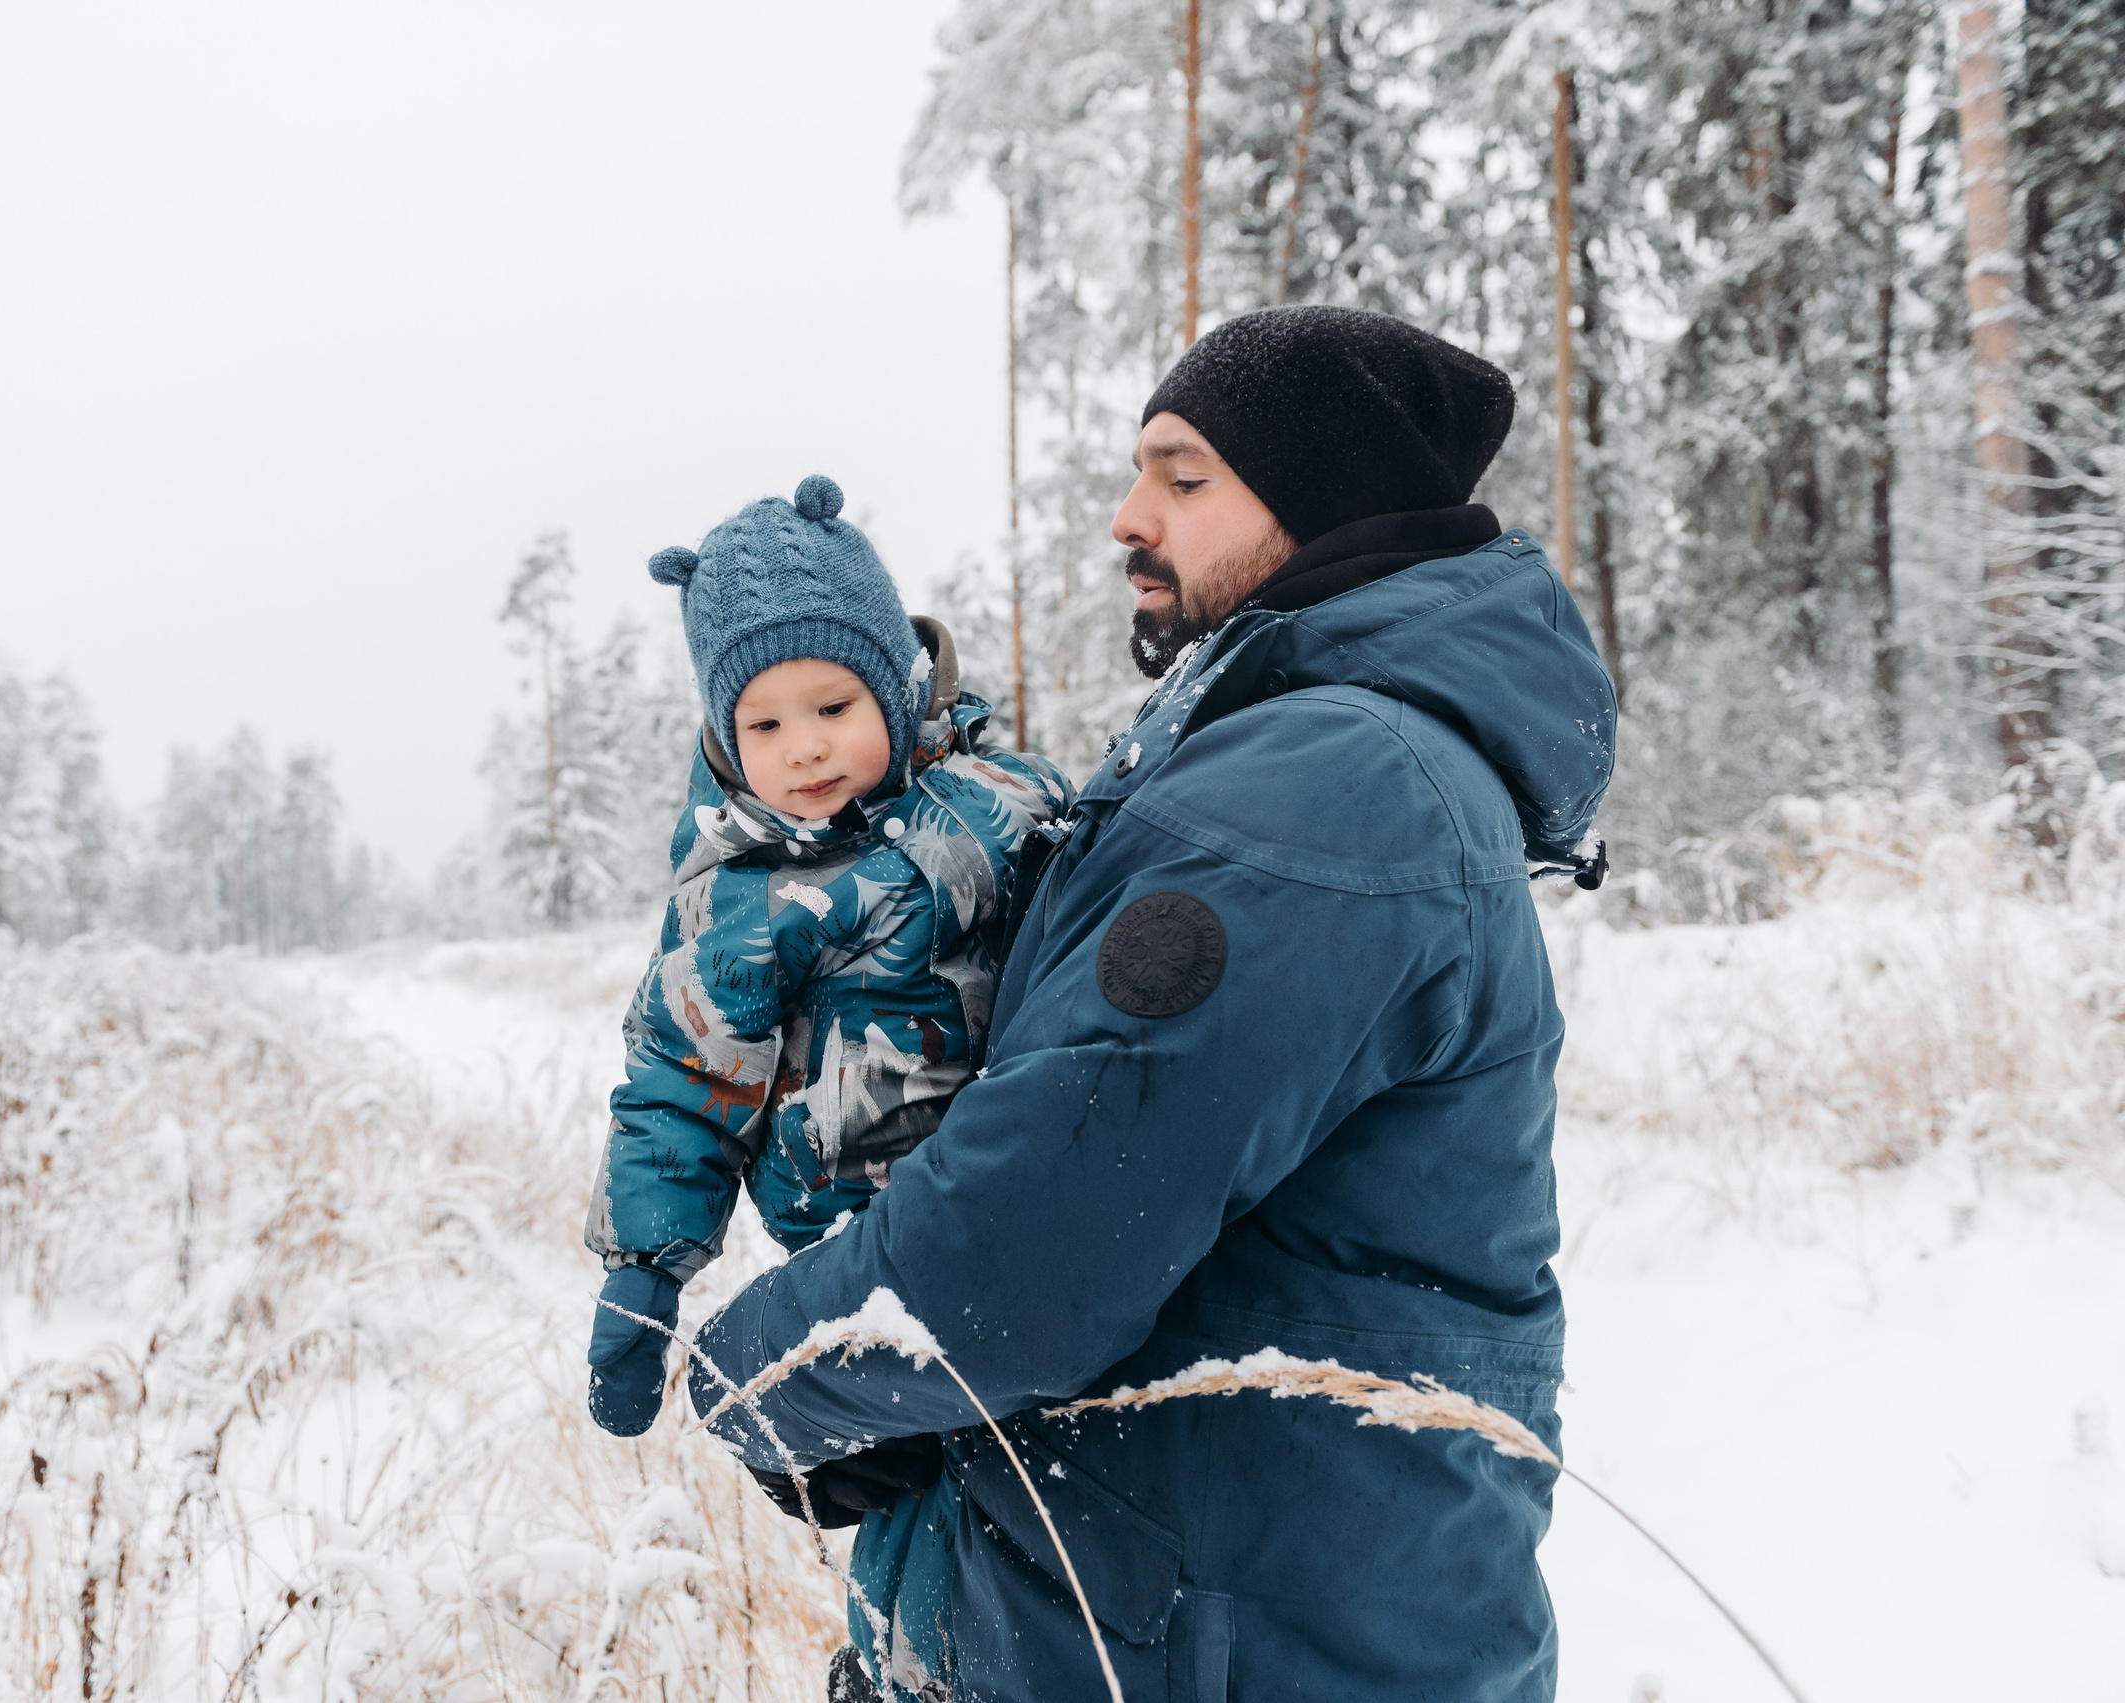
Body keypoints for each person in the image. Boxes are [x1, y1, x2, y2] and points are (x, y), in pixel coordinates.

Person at [685, 308, 1618, 1703]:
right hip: (1210, 1606)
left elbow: (1018, 1259)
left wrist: (748, 1380)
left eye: (1184, 478)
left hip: (1235, 1641)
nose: (1129, 516)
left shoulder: (1320, 793)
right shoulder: (1306, 755)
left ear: (1323, 502)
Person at [581, 473, 1072, 1441]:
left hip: (1021, 1205)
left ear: (895, 686)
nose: (804, 747)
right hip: (846, 1251)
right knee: (927, 1499)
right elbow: (685, 1076)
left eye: (833, 705)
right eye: (764, 724)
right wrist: (644, 1269)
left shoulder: (1007, 805)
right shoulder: (735, 893)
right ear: (725, 741)